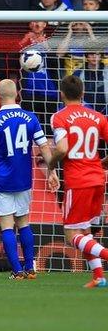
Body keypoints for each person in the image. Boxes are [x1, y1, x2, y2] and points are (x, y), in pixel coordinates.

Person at [0, 79, 54, 279]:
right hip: (23, 179)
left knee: (7, 226)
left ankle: (17, 271)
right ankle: (30, 268)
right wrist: (52, 171)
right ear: (17, 94)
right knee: (24, 223)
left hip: (2, 180)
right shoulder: (30, 117)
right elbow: (44, 146)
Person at [47, 75, 108, 288]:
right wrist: (103, 163)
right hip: (98, 180)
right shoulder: (98, 116)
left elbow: (62, 148)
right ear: (82, 93)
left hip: (78, 181)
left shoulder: (60, 117)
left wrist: (51, 165)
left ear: (61, 94)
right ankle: (99, 277)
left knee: (71, 233)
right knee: (85, 230)